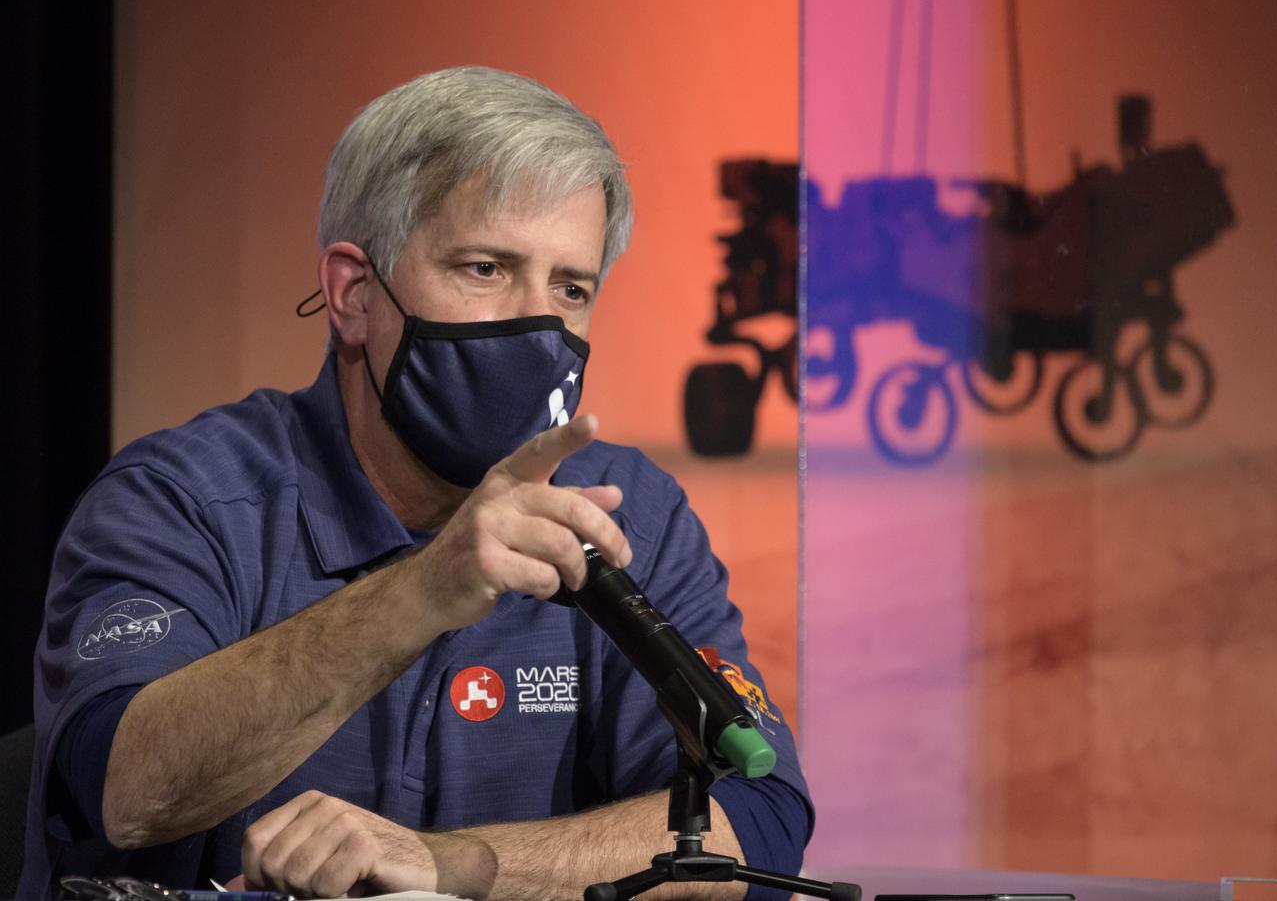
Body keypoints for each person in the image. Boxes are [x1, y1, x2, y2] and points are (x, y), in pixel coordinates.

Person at [20, 67, 812, 901]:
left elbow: (756, 822)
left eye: (569, 288)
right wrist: (427, 590)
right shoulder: (180, 498)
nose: (535, 322)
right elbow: (125, 790)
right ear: (355, 295)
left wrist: (453, 862)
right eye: (485, 268)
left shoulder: (626, 514)